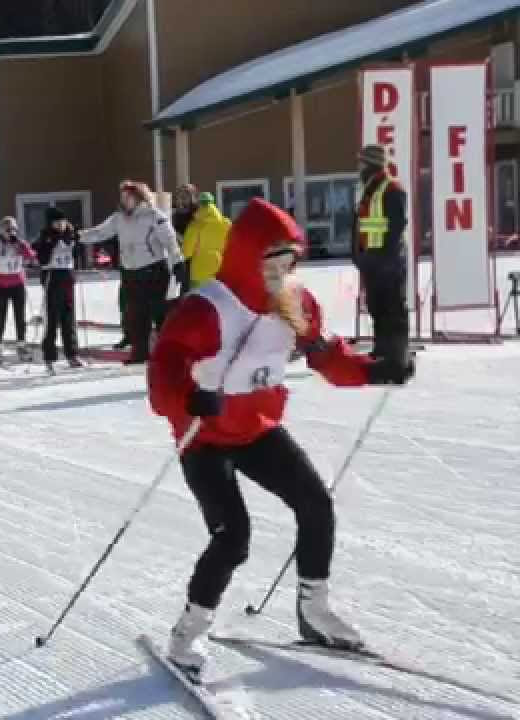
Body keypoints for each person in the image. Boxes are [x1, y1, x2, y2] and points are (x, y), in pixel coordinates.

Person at [147, 198, 415, 676]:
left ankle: (314, 612)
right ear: (248, 254)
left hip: (257, 430)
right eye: (274, 258)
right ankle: (189, 631)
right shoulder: (206, 308)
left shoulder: (296, 303)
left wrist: (375, 370)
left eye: (290, 258)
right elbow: (164, 367)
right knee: (234, 537)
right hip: (205, 437)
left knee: (316, 504)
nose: (284, 268)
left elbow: (325, 355)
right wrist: (186, 398)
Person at [82, 181, 186, 365]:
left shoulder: (153, 215)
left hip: (153, 270)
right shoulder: (119, 218)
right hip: (130, 272)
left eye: (127, 197)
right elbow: (100, 232)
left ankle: (168, 355)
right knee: (136, 316)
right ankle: (140, 354)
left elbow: (170, 240)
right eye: (122, 197)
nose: (124, 200)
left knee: (160, 314)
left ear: (138, 197)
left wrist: (177, 261)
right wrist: (78, 236)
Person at [354, 143, 410, 372]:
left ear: (370, 164)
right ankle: (381, 353)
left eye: (362, 162)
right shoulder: (368, 189)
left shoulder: (392, 189)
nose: (359, 166)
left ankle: (397, 359)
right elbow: (361, 224)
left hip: (388, 261)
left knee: (393, 310)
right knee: (377, 308)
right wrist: (360, 255)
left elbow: (396, 226)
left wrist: (385, 259)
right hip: (372, 260)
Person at [31, 208, 84, 374]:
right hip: (52, 277)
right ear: (50, 223)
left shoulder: (70, 235)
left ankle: (72, 354)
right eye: (56, 222)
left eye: (62, 221)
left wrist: (77, 242)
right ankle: (49, 357)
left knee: (69, 319)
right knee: (52, 319)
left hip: (67, 278)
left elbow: (78, 255)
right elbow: (42, 258)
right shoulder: (45, 237)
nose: (60, 225)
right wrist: (50, 242)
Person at [0, 216, 36, 361]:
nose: (11, 233)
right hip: (1, 284)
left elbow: (31, 258)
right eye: (8, 230)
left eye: (13, 229)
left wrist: (22, 246)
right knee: (1, 315)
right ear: (2, 230)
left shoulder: (19, 243)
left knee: (20, 316)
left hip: (17, 283)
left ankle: (21, 344)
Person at [180, 192, 231, 292]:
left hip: (199, 271)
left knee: (199, 302)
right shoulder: (226, 223)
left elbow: (186, 252)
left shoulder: (195, 225)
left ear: (200, 204)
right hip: (220, 268)